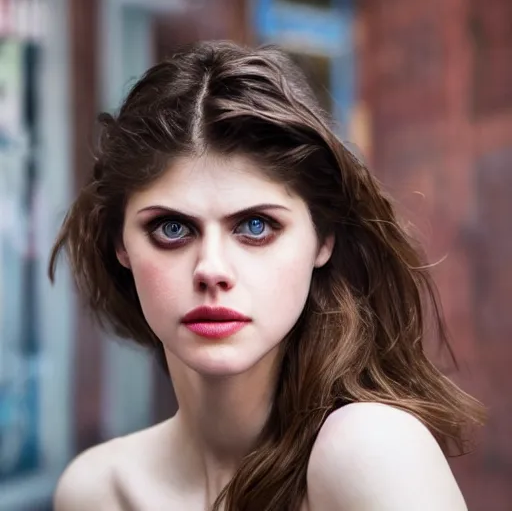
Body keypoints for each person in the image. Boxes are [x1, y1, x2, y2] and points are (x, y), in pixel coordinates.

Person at [49, 40, 484, 511]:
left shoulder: (370, 448)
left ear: (323, 239)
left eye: (256, 226)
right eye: (171, 228)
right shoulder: (94, 491)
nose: (211, 269)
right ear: (121, 246)